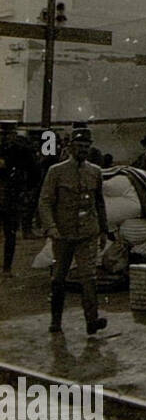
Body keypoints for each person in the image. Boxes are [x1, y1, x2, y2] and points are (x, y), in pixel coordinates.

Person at [37, 129, 109, 334]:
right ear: (70, 148)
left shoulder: (95, 171)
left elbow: (100, 203)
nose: (83, 151)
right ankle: (56, 321)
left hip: (88, 233)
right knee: (59, 278)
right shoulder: (56, 172)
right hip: (63, 234)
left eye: (86, 147)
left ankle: (92, 320)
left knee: (89, 277)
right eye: (79, 147)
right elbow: (45, 201)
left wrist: (104, 230)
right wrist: (51, 227)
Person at [1, 120, 39, 276]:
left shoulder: (21, 150)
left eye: (7, 134)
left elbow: (34, 172)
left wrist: (25, 190)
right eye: (3, 134)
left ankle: (7, 268)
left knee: (10, 233)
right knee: (9, 233)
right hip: (8, 193)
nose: (5, 138)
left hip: (12, 195)